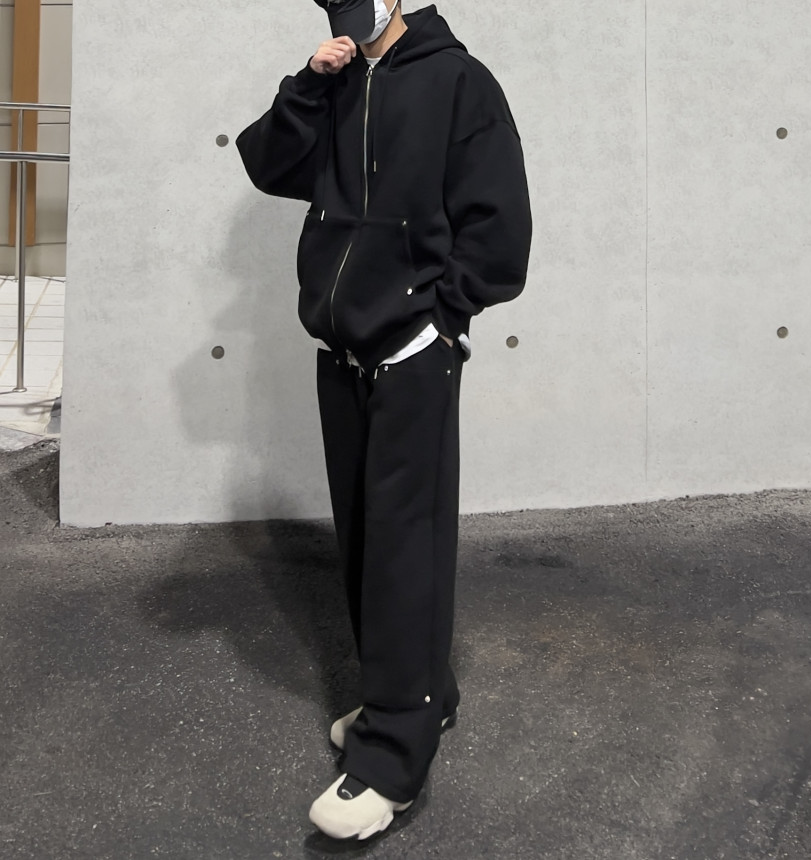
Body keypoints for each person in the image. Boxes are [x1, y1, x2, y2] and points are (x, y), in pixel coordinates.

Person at [236, 0, 531, 840]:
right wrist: (309, 82)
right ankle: (416, 697)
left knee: (405, 548)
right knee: (368, 541)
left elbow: (501, 226)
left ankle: (392, 760)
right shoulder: (338, 84)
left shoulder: (459, 82)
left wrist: (443, 319)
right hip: (342, 350)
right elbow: (269, 164)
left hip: (410, 353)